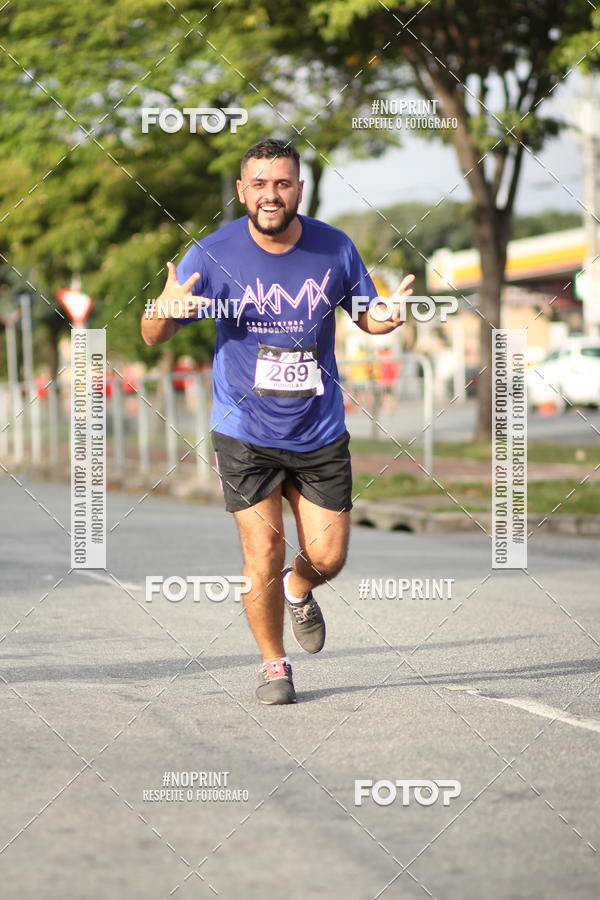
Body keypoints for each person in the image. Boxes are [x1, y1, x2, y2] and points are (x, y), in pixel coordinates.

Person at [141, 138, 414, 705]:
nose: (271, 195)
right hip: (245, 430)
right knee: (261, 552)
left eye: (282, 183)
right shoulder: (211, 254)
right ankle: (274, 666)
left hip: (318, 428)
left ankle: (299, 586)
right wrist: (163, 313)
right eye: (259, 184)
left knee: (330, 556)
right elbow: (153, 332)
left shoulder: (334, 248)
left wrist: (385, 320)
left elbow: (367, 314)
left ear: (298, 189)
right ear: (242, 190)